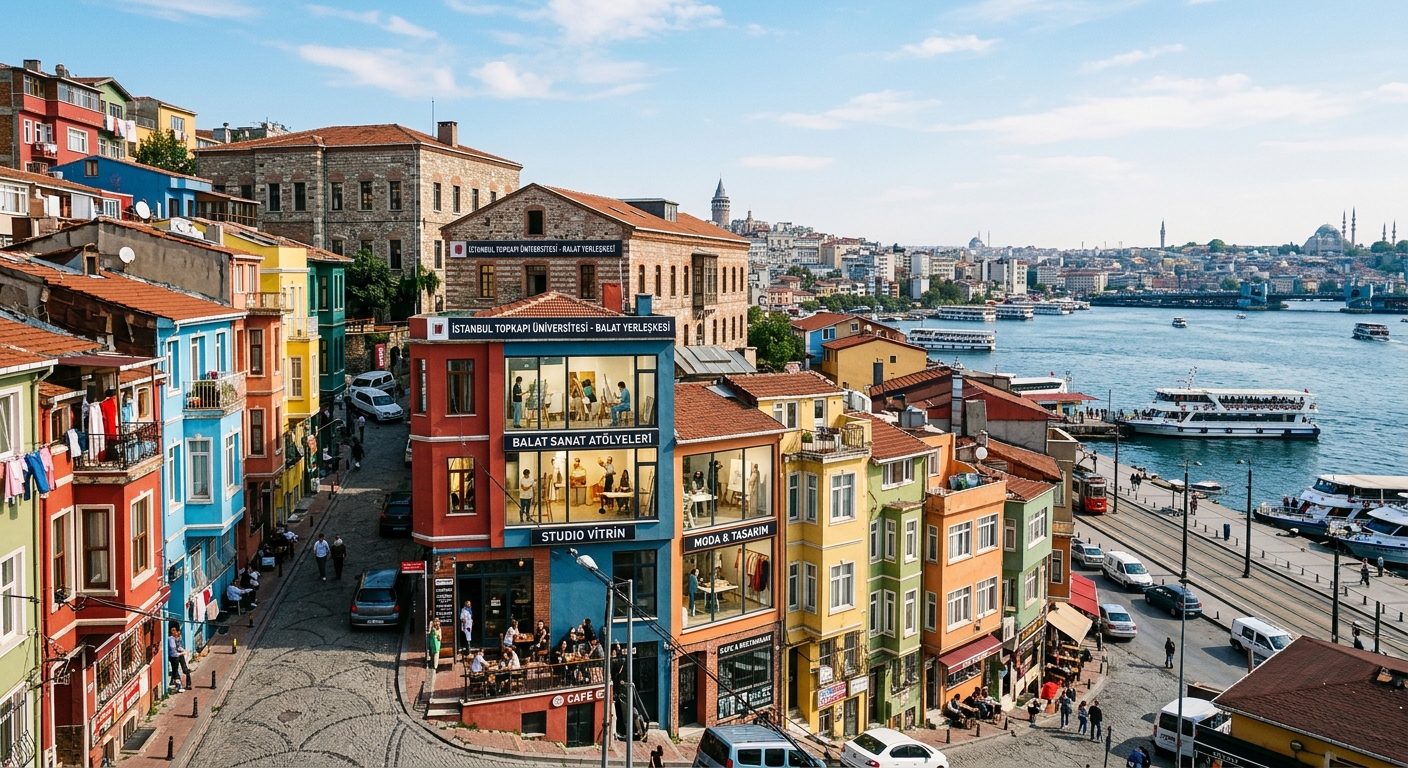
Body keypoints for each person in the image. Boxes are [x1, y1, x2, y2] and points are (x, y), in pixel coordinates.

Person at [167, 626, 192, 692]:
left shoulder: (179, 638)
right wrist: (181, 653)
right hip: (174, 656)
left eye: (176, 631)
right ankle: (178, 685)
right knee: (175, 670)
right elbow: (173, 652)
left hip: (179, 655)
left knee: (184, 669)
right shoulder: (170, 639)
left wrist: (182, 650)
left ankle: (188, 683)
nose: (175, 633)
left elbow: (180, 646)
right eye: (173, 630)